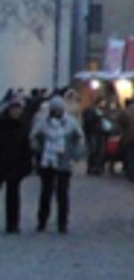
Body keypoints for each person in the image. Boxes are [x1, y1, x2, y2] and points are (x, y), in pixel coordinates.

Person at [29, 96, 85, 234]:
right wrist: (38, 149)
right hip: (47, 161)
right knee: (45, 193)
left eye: (59, 109)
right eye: (55, 109)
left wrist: (75, 154)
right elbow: (34, 136)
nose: (57, 112)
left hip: (64, 162)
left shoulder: (71, 123)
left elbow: (79, 138)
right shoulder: (43, 122)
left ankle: (62, 222)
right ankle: (42, 220)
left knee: (62, 194)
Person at [1, 94, 33, 233]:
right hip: (1, 163)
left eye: (18, 109)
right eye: (14, 109)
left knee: (13, 195)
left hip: (15, 165)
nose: (16, 112)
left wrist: (27, 165)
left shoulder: (24, 126)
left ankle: (12, 224)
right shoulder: (2, 124)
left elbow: (27, 147)